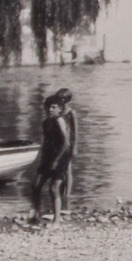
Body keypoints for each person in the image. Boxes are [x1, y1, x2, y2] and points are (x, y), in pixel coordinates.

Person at [27, 96, 68, 224]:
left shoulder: (59, 120)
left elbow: (66, 143)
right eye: (48, 107)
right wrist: (41, 157)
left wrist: (57, 160)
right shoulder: (46, 122)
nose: (50, 109)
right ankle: (37, 215)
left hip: (59, 158)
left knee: (53, 189)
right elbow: (46, 142)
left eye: (53, 107)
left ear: (59, 109)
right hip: (47, 157)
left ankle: (56, 221)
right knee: (36, 185)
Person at [53, 87, 77, 217]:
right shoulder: (59, 112)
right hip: (60, 143)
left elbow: (75, 131)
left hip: (68, 144)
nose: (60, 101)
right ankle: (62, 194)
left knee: (68, 170)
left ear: (67, 100)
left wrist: (75, 146)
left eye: (62, 99)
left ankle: (67, 195)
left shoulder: (71, 112)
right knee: (61, 170)